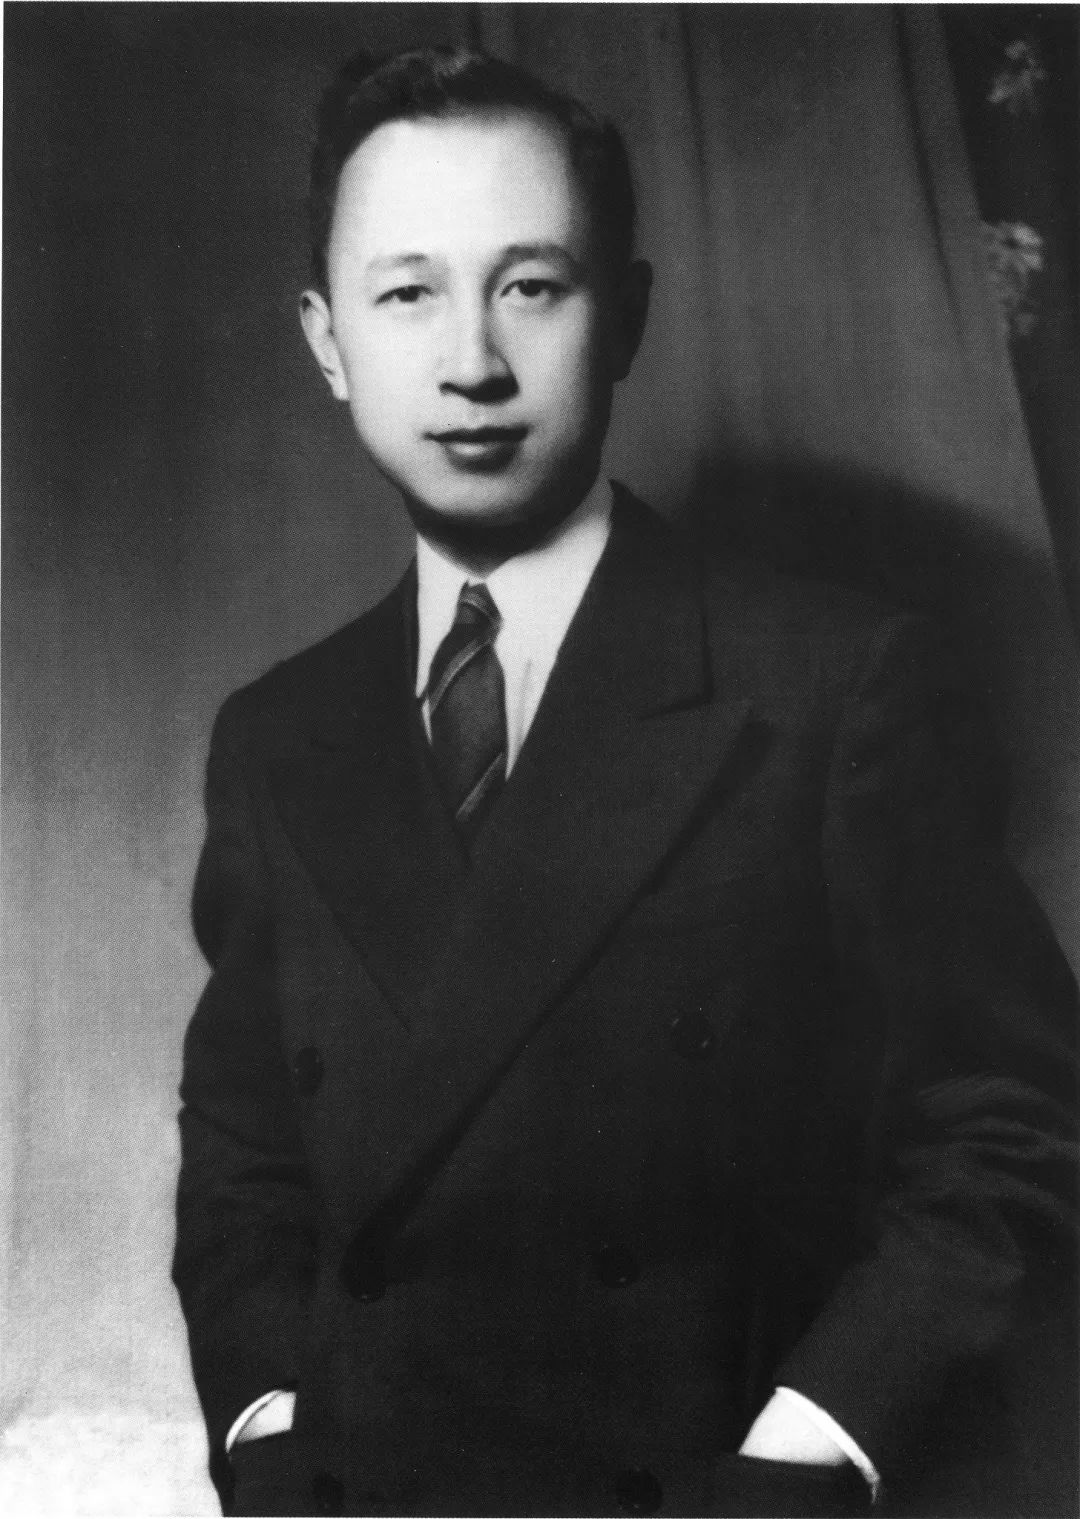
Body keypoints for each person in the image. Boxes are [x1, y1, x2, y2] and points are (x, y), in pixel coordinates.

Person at [172, 44, 1077, 1519]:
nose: (473, 359)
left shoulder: (830, 683)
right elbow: (245, 1156)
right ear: (327, 341)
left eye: (531, 285)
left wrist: (811, 1451)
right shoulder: (279, 738)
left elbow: (1014, 1123)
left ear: (629, 316)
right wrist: (269, 1421)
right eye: (407, 294)